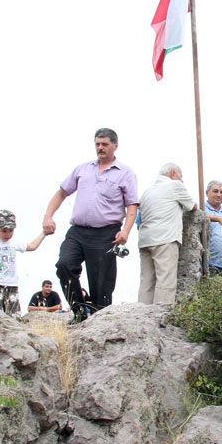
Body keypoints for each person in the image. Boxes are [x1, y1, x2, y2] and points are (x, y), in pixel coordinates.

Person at [43, 128, 139, 315]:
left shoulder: (125, 173)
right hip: (77, 231)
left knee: (101, 284)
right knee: (64, 265)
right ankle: (79, 311)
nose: (100, 148)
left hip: (106, 234)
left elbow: (132, 206)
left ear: (115, 146)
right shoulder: (83, 169)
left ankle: (97, 319)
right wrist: (48, 216)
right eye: (97, 144)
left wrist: (126, 231)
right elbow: (62, 193)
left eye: (104, 144)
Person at [137, 163, 197, 304]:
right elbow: (193, 206)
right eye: (181, 176)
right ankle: (160, 316)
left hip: (145, 239)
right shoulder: (175, 186)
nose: (182, 180)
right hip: (165, 239)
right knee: (166, 281)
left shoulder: (147, 192)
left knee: (146, 282)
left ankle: (142, 314)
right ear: (173, 174)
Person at [0, 210, 48, 317]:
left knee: (14, 316)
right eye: (4, 231)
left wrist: (44, 233)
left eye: (11, 231)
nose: (8, 234)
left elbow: (32, 246)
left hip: (11, 285)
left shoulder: (14, 243)